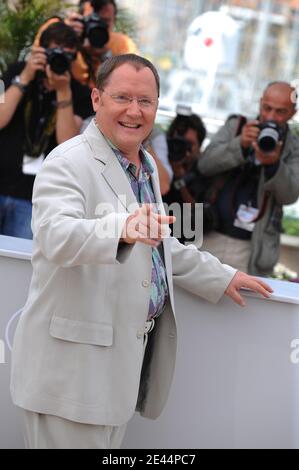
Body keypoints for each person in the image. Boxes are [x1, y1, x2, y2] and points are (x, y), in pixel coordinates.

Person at [11, 54, 272, 449]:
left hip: (114, 385)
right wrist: (122, 229)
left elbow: (158, 242)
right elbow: (54, 235)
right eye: (122, 98)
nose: (135, 111)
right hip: (70, 384)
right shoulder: (66, 161)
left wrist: (222, 276)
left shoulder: (145, 162)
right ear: (96, 99)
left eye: (146, 101)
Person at [0, 22, 93, 239]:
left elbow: (67, 142)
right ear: (41, 51)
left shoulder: (77, 92)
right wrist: (24, 77)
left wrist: (63, 92)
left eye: (66, 56)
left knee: (18, 264)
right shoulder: (18, 71)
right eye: (53, 53)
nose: (57, 60)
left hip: (35, 197)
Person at [198, 82, 299, 275]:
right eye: (267, 108)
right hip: (208, 234)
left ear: (292, 113)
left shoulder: (293, 146)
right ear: (260, 103)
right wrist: (240, 145)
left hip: (250, 248)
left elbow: (290, 195)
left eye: (280, 112)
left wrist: (274, 164)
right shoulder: (237, 126)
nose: (270, 116)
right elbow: (204, 165)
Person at [34, 0, 138, 88]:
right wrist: (66, 37)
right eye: (91, 21)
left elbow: (131, 81)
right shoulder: (55, 28)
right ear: (79, 17)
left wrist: (105, 56)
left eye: (104, 22)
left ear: (114, 21)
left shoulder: (123, 44)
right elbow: (35, 64)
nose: (97, 27)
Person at [163, 111, 211, 244]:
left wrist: (181, 179)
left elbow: (200, 222)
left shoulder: (204, 172)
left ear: (199, 147)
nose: (182, 149)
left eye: (189, 144)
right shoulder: (156, 165)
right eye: (178, 142)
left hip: (183, 246)